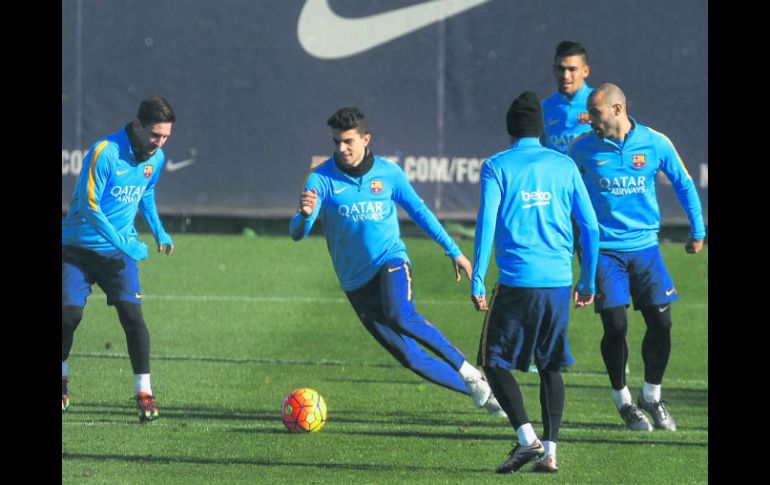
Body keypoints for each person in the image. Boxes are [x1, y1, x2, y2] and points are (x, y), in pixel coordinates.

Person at [289, 107, 505, 417]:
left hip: (390, 260)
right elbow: (298, 233)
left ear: (366, 138)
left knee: (400, 315)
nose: (341, 148)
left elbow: (419, 212)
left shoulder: (389, 174)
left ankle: (469, 371)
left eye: (348, 141)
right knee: (409, 357)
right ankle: (485, 392)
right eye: (336, 141)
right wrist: (304, 215)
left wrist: (453, 250)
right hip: (354, 282)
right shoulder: (320, 178)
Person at [471, 91, 600, 473]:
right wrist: (588, 280)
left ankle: (527, 440)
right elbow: (591, 228)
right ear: (540, 129)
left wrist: (478, 279)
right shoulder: (564, 166)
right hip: (559, 283)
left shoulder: (496, 166)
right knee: (549, 366)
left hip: (517, 282)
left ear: (510, 129)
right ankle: (551, 452)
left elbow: (486, 226)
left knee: (491, 362)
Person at [568, 83, 706, 432]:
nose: (589, 119)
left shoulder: (655, 142)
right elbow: (563, 194)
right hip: (604, 252)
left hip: (646, 249)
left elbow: (684, 183)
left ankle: (652, 396)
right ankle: (624, 402)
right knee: (616, 326)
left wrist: (698, 230)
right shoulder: (581, 149)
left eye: (595, 112)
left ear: (617, 110)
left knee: (662, 324)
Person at [62, 95, 176, 422]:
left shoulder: (157, 157)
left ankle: (143, 392)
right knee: (68, 317)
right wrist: (123, 244)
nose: (160, 142)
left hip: (117, 252)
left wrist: (159, 232)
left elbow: (147, 193)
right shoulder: (104, 152)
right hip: (76, 249)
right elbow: (88, 206)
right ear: (137, 125)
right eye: (155, 134)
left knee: (133, 317)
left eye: (166, 136)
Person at [542, 40, 594, 155]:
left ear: (585, 71)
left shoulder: (600, 103)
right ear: (554, 70)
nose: (566, 76)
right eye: (561, 69)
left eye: (572, 69)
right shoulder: (544, 108)